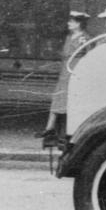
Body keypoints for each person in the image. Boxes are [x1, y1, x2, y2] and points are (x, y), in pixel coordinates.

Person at [37, 11, 91, 142]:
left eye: (72, 21)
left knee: (69, 101)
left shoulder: (84, 38)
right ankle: (50, 128)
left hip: (75, 71)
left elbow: (89, 55)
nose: (69, 24)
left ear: (78, 23)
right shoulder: (69, 37)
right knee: (59, 98)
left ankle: (62, 132)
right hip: (65, 72)